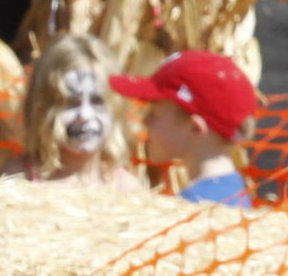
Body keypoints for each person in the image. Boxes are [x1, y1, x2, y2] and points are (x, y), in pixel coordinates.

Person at [109, 49, 259, 207]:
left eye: (153, 113)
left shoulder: (198, 206)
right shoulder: (231, 190)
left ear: (195, 128)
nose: (144, 121)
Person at [8, 33, 141, 188]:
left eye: (97, 102)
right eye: (70, 104)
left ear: (116, 107)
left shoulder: (128, 190)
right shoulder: (17, 181)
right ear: (41, 110)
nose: (85, 115)